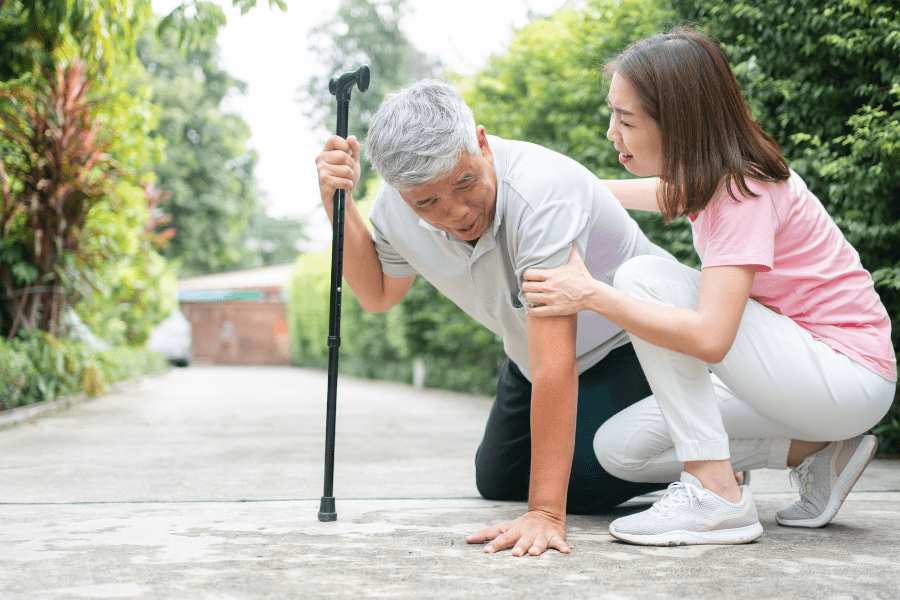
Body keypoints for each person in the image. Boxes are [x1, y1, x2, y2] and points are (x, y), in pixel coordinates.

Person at [521, 26, 896, 546]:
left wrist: (589, 294)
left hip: (845, 374)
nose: (612, 133)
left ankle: (716, 494)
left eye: (626, 120)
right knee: (620, 451)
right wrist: (570, 187)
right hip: (802, 376)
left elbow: (711, 337)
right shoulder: (712, 176)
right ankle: (815, 451)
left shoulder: (742, 190)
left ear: (678, 122)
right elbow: (662, 193)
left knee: (642, 278)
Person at [315, 79, 679, 557]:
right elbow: (379, 294)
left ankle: (710, 442)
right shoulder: (395, 207)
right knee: (498, 481)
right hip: (528, 355)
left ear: (482, 144)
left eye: (465, 182)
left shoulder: (538, 193)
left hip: (632, 342)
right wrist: (336, 201)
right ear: (400, 191)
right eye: (427, 202)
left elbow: (556, 364)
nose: (457, 212)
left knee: (581, 489)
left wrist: (546, 514)